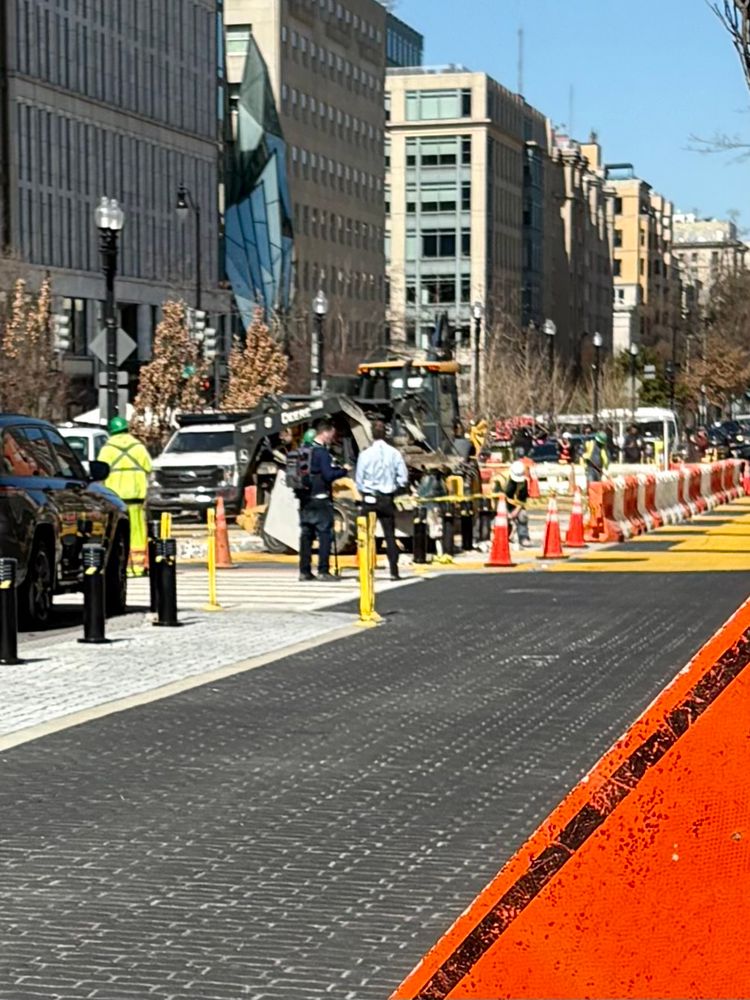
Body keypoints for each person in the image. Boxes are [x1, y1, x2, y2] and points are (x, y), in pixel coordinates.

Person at [97, 416, 152, 576]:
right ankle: (139, 567)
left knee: (120, 533)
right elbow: (148, 467)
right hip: (136, 497)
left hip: (116, 498)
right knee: (138, 531)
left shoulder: (107, 449)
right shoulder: (138, 447)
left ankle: (125, 567)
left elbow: (100, 471)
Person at [355, 419, 409, 580]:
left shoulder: (365, 454)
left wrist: (365, 489)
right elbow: (403, 477)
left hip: (370, 498)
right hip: (386, 498)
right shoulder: (394, 453)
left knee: (365, 535)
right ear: (386, 433)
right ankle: (394, 571)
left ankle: (365, 570)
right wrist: (395, 485)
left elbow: (359, 479)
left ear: (371, 434)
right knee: (389, 535)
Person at [298, 419, 347, 581]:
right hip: (321, 499)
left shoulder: (304, 450)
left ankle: (304, 571)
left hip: (305, 499)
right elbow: (328, 475)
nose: (332, 437)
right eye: (331, 434)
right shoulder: (322, 453)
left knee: (306, 535)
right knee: (325, 534)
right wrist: (342, 471)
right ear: (324, 433)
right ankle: (323, 570)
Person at [504, 460, 531, 548]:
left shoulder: (523, 483)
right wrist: (506, 512)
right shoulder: (502, 479)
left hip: (514, 506)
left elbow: (522, 500)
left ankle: (523, 538)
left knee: (522, 515)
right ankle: (502, 538)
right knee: (502, 519)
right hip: (501, 505)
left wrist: (515, 512)